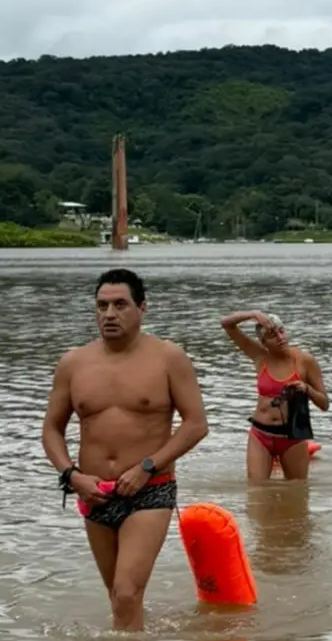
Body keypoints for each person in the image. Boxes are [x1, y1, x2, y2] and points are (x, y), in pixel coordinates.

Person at [40, 268, 210, 632]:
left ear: (142, 308)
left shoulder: (168, 358)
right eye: (102, 306)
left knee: (127, 593)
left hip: (150, 489)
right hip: (94, 494)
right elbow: (52, 430)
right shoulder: (74, 363)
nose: (109, 314)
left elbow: (196, 424)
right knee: (119, 598)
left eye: (120, 305)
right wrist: (71, 475)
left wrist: (148, 466)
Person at [221, 310, 330, 481]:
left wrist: (307, 389)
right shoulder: (259, 356)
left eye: (281, 331)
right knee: (257, 494)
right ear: (263, 342)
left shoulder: (304, 361)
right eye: (272, 335)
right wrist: (253, 314)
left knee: (297, 495)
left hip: (292, 438)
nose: (280, 338)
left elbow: (324, 404)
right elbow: (227, 324)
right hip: (260, 435)